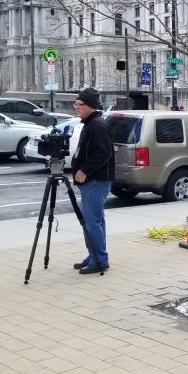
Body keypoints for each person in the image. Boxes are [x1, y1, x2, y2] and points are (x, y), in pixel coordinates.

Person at [70, 88, 115, 275]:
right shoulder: (90, 123)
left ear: (90, 106)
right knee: (94, 221)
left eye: (80, 105)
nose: (76, 108)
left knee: (92, 222)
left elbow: (104, 153)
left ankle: (99, 259)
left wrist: (84, 170)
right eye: (76, 104)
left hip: (96, 181)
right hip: (93, 181)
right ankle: (95, 255)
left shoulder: (96, 125)